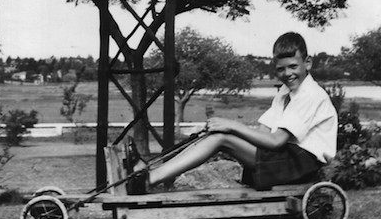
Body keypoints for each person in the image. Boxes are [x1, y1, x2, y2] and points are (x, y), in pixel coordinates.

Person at [127, 32, 338, 194]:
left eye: (293, 66)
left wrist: (231, 126)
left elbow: (275, 141)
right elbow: (263, 133)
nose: (287, 74)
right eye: (281, 69)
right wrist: (225, 131)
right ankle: (148, 175)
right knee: (218, 136)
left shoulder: (310, 94)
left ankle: (148, 179)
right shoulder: (285, 93)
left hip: (302, 164)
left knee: (222, 138)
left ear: (307, 62)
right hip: (286, 160)